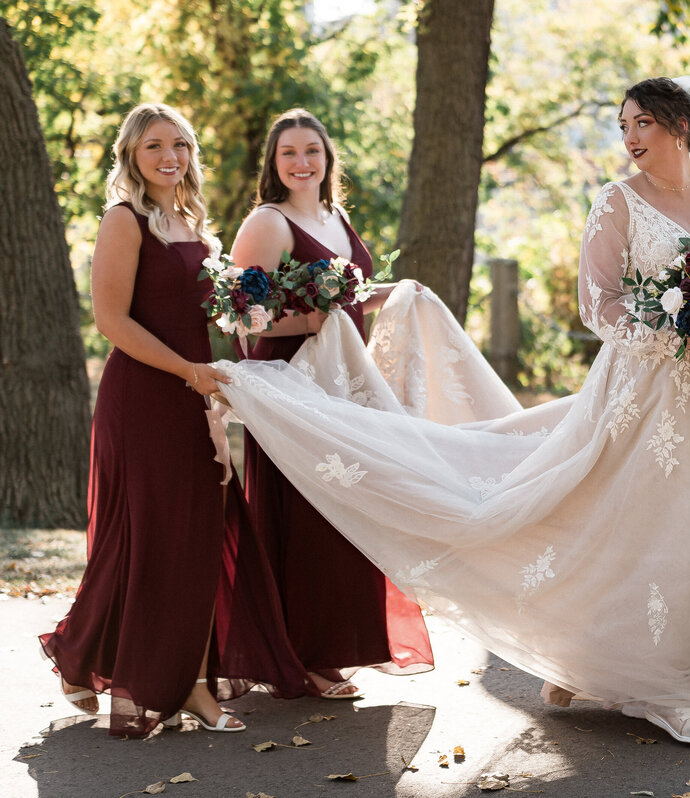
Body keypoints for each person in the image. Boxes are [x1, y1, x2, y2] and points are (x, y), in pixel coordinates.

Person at [216, 77, 690, 751]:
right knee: (646, 519)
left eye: (642, 126)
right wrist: (670, 331)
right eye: (623, 126)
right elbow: (597, 304)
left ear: (681, 126)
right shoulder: (618, 203)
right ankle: (660, 682)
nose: (629, 139)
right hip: (648, 388)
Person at [39, 103, 312, 737]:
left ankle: (119, 664)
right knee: (149, 538)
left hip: (194, 397)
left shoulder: (197, 228)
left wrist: (227, 378)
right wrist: (189, 373)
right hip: (141, 397)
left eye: (181, 145)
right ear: (131, 155)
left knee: (195, 533)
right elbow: (111, 322)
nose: (171, 156)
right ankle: (162, 679)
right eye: (154, 145)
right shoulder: (123, 220)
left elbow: (212, 323)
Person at [229, 109, 434, 700]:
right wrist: (310, 317)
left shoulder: (335, 217)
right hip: (292, 387)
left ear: (327, 157)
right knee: (306, 518)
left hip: (342, 386)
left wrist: (393, 295)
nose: (301, 163)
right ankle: (302, 655)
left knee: (348, 514)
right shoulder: (268, 222)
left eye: (312, 151)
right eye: (288, 153)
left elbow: (348, 302)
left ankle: (340, 643)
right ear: (273, 162)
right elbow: (240, 319)